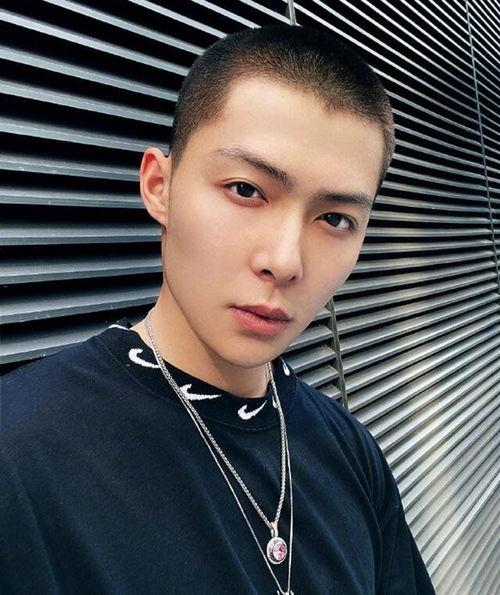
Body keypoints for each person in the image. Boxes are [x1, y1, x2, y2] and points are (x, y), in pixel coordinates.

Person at [0, 23, 435, 594]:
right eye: (246, 190)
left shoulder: (350, 451)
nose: (284, 261)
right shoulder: (20, 452)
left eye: (334, 219)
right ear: (160, 186)